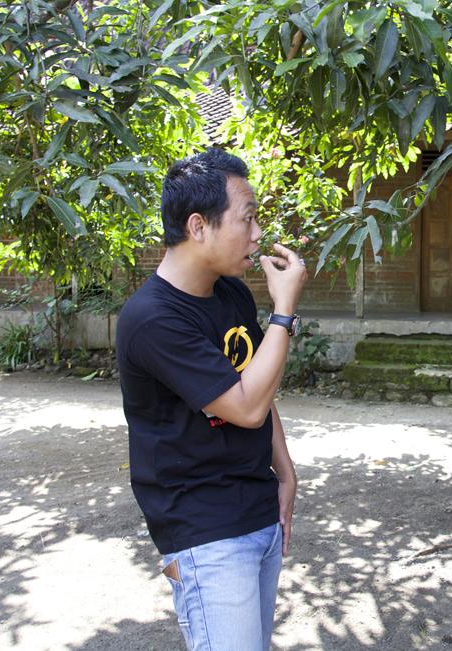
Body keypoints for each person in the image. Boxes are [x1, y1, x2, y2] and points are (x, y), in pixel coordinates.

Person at [116, 148, 307, 650]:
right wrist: (284, 309)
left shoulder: (232, 295)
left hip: (255, 509)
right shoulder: (153, 320)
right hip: (205, 531)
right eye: (247, 219)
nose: (258, 233)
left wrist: (285, 472)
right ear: (198, 226)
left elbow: (259, 391)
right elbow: (243, 406)